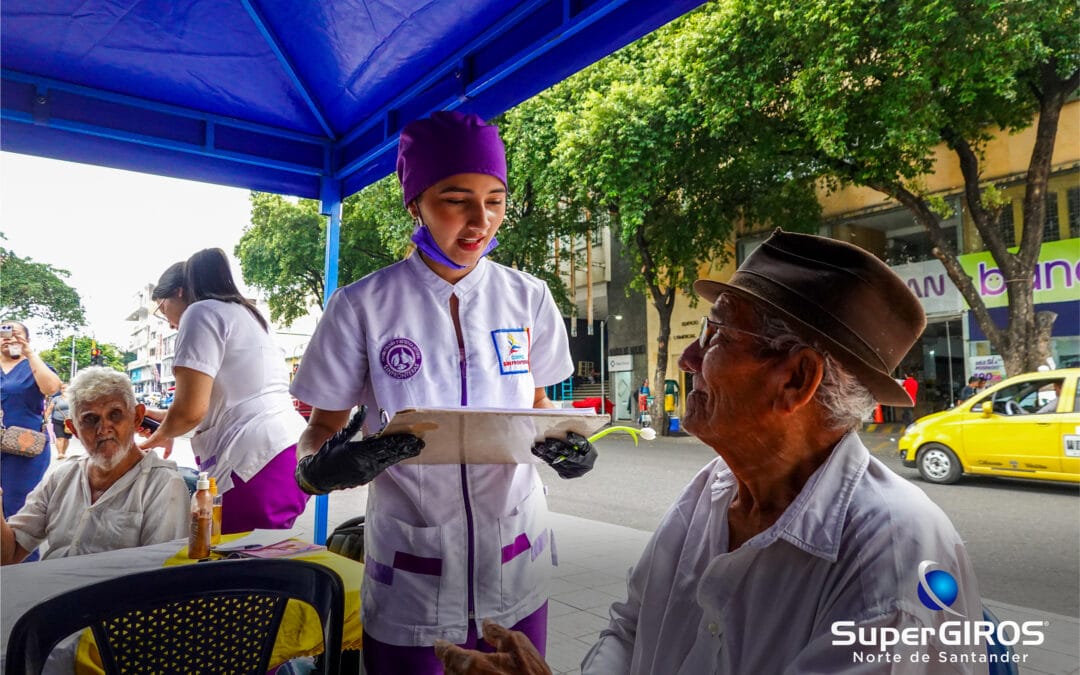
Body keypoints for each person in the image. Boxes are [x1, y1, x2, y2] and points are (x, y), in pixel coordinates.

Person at [436, 230, 982, 674]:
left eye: (717, 334)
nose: (690, 357)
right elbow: (630, 629)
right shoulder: (712, 489)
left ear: (796, 379)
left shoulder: (893, 554)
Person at [290, 110, 596, 674]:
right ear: (416, 203)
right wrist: (319, 470)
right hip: (413, 574)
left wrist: (564, 440)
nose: (481, 220)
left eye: (496, 199)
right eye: (457, 199)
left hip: (516, 562)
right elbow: (319, 431)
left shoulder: (528, 298)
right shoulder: (362, 306)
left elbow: (537, 405)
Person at [139, 253, 310, 533]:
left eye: (161, 307)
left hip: (253, 463)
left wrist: (161, 435)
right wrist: (159, 418)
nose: (167, 320)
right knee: (260, 557)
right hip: (288, 452)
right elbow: (217, 402)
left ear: (178, 292)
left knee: (232, 562)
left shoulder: (200, 312)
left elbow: (190, 411)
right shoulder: (249, 316)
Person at [1, 367, 188, 564]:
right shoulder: (62, 477)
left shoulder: (162, 484)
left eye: (115, 415)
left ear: (136, 418)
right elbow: (8, 555)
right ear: (73, 428)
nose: (103, 428)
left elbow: (161, 578)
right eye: (90, 419)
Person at [1, 320, 61, 520]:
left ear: (27, 339)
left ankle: (19, 551)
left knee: (17, 509)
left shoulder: (34, 366)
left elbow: (52, 388)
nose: (8, 338)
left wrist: (29, 353)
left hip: (24, 448)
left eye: (15, 334)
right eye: (3, 333)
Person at [46, 383, 73, 459]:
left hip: (70, 421)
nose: (64, 389)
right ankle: (60, 453)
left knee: (66, 438)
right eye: (62, 388)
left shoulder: (73, 398)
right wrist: (45, 419)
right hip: (57, 420)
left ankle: (63, 452)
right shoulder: (56, 399)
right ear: (60, 390)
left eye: (66, 388)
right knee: (60, 437)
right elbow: (50, 409)